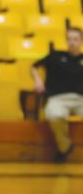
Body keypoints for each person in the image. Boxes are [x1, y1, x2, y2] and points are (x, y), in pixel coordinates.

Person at [31, 27, 83, 162]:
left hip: (80, 99)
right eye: (69, 39)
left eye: (76, 39)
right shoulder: (56, 56)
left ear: (81, 41)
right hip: (57, 98)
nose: (72, 42)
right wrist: (37, 80)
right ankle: (64, 146)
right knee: (54, 115)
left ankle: (63, 149)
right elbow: (34, 66)